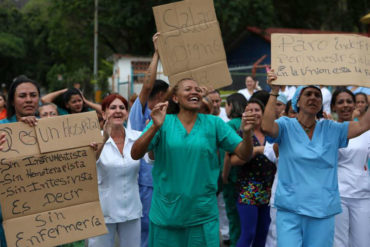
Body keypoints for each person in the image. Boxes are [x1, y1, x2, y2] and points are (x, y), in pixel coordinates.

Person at [131, 78, 255, 247]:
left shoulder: (214, 124)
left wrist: (247, 134)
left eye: (197, 89)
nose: (194, 92)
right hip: (167, 215)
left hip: (202, 216)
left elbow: (244, 153)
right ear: (175, 98)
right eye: (188, 89)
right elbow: (135, 153)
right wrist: (154, 127)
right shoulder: (163, 122)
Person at [262, 70, 370, 247]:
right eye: (308, 94)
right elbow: (266, 127)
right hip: (290, 210)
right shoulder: (285, 125)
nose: (313, 98)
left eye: (317, 95)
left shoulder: (331, 129)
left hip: (322, 211)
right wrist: (274, 91)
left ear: (322, 104)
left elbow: (364, 124)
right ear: (298, 100)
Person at [127, 33, 169, 247]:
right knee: (148, 233)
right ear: (160, 94)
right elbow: (146, 87)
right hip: (147, 184)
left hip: (166, 182)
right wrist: (157, 53)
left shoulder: (169, 114)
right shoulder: (140, 111)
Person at [88, 94, 143, 247]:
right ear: (104, 114)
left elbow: (152, 158)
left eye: (122, 108)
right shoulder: (94, 138)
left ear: (127, 113)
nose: (118, 111)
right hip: (103, 211)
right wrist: (104, 139)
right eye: (113, 108)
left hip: (132, 209)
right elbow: (88, 165)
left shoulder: (138, 138)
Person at [229, 98, 276, 247]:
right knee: (248, 233)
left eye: (257, 110)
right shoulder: (240, 133)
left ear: (263, 113)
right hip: (248, 190)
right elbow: (234, 161)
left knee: (262, 234)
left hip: (270, 189)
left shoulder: (271, 133)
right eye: (250, 110)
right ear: (244, 114)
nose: (254, 113)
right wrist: (256, 150)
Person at [330, 88, 370, 247]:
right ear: (333, 107)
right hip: (337, 194)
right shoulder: (328, 129)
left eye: (349, 101)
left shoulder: (366, 133)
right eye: (340, 102)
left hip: (363, 194)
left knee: (363, 243)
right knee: (339, 243)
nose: (345, 105)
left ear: (355, 105)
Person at [222, 93, 247, 247]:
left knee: (233, 216)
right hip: (247, 177)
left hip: (231, 177)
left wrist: (224, 175)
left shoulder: (229, 126)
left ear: (231, 106)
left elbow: (226, 154)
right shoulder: (245, 123)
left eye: (226, 104)